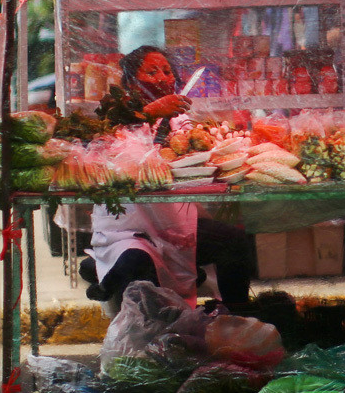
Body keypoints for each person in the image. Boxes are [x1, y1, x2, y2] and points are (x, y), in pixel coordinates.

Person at [80, 46, 254, 312]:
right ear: (130, 82)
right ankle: (109, 283)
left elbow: (193, 154)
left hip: (172, 224)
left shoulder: (178, 119)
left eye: (166, 71)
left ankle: (236, 315)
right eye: (151, 72)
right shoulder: (112, 116)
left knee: (234, 241)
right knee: (135, 264)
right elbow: (104, 145)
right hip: (128, 227)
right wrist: (149, 111)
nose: (162, 77)